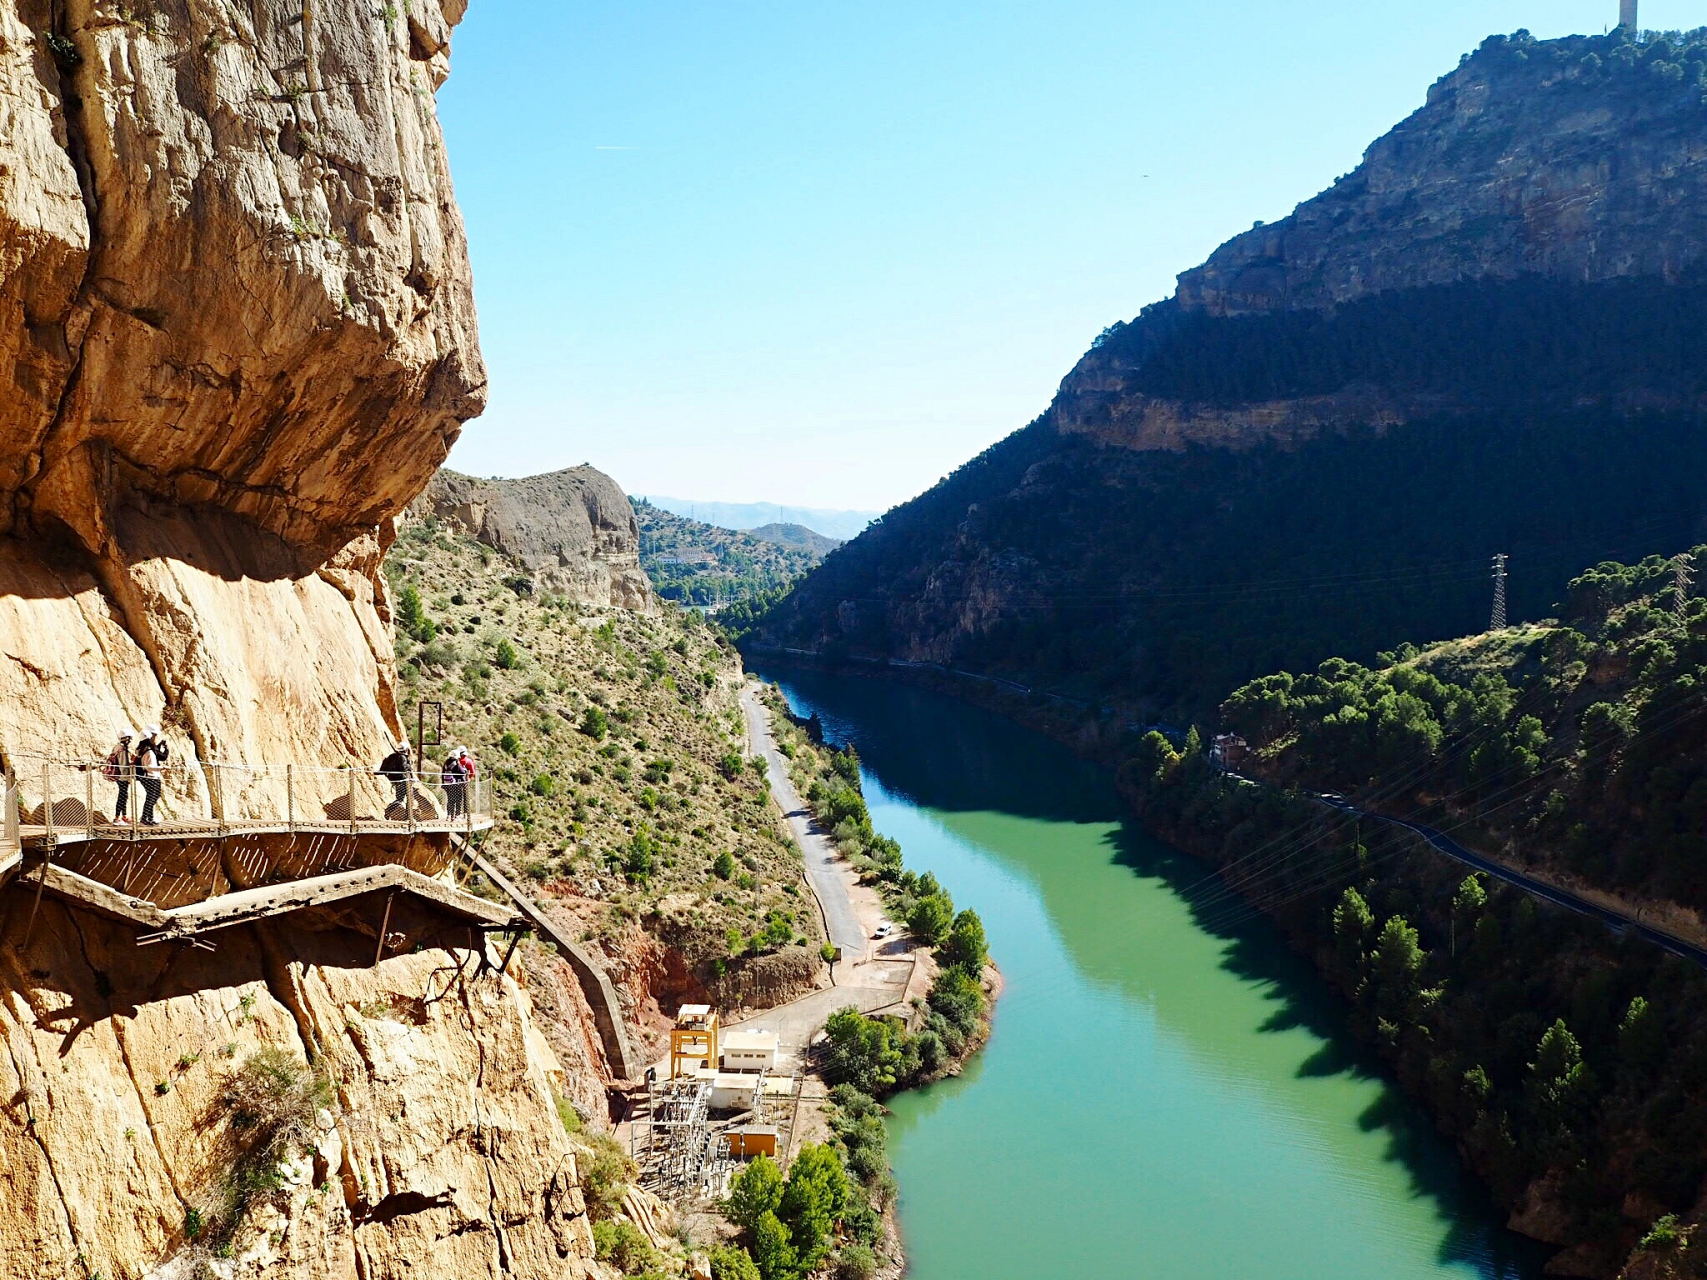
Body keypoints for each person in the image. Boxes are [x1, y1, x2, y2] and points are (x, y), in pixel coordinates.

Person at [133, 725, 165, 826]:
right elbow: (150, 766)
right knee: (153, 796)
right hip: (151, 776)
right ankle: (144, 817)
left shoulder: (141, 749)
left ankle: (149, 818)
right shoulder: (149, 752)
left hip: (145, 777)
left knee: (151, 796)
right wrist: (162, 768)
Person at [104, 727, 135, 823]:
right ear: (126, 738)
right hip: (122, 776)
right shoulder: (123, 749)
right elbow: (124, 765)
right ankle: (117, 817)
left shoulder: (116, 747)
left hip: (117, 775)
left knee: (123, 795)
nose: (130, 741)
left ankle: (123, 815)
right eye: (129, 739)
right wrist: (127, 778)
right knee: (122, 796)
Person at [376, 742, 411, 815]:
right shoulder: (402, 757)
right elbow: (403, 769)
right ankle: (389, 811)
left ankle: (406, 815)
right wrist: (409, 765)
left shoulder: (391, 756)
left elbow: (383, 768)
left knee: (403, 798)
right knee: (401, 799)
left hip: (393, 779)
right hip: (402, 780)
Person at [442, 748, 467, 819]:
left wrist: (443, 784)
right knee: (458, 799)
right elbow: (462, 772)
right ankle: (456, 815)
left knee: (450, 800)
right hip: (456, 784)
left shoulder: (446, 764)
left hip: (447, 784)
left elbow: (442, 774)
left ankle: (449, 815)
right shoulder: (456, 764)